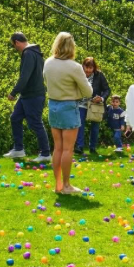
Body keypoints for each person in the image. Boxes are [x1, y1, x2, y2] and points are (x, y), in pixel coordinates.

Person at [43, 32, 93, 194]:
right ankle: (66, 185)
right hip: (69, 107)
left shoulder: (48, 62)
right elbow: (88, 91)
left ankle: (57, 185)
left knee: (57, 148)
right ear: (71, 46)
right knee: (67, 150)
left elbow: (46, 80)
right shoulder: (74, 66)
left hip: (53, 105)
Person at [4, 32, 51, 163]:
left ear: (17, 42)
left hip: (33, 95)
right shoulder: (35, 53)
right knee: (15, 118)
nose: (15, 49)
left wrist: (13, 92)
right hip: (27, 95)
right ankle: (19, 149)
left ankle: (46, 153)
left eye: (14, 46)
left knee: (35, 123)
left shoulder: (28, 53)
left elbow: (25, 76)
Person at [75, 57, 110, 156]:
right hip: (81, 104)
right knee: (80, 125)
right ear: (83, 66)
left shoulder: (99, 75)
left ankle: (93, 147)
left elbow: (107, 90)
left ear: (94, 68)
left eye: (91, 68)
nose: (88, 70)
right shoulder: (78, 74)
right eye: (86, 67)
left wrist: (102, 98)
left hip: (95, 104)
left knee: (95, 127)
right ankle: (79, 147)